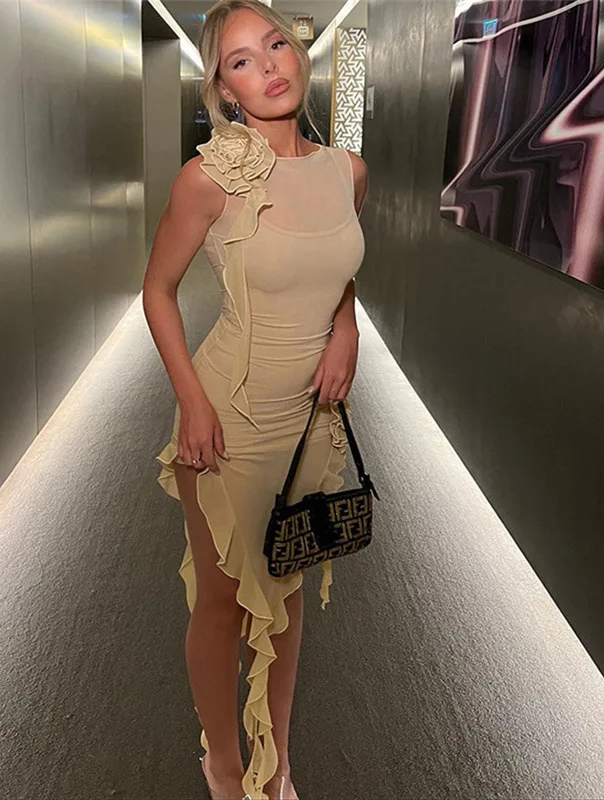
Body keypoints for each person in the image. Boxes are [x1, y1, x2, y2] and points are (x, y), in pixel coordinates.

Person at [142, 0, 367, 797]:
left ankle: (278, 765)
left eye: (276, 44)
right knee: (223, 603)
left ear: (298, 55)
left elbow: (335, 270)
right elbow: (158, 291)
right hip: (228, 416)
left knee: (289, 593)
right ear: (225, 88)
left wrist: (347, 328)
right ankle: (226, 762)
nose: (268, 64)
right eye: (242, 59)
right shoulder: (207, 177)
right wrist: (192, 401)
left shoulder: (348, 171)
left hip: (313, 421)